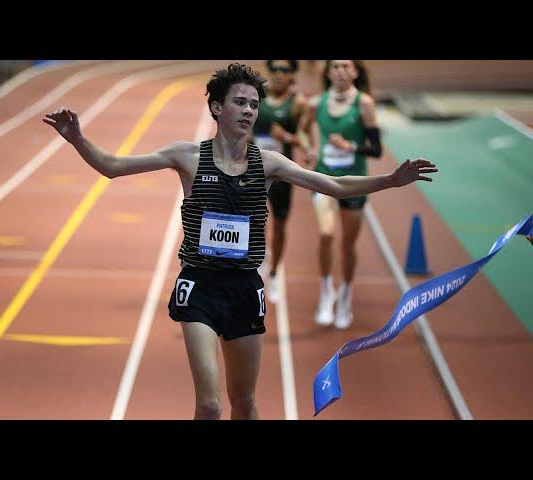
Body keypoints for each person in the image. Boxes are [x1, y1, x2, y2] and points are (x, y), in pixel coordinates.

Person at [42, 63, 437, 420]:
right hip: (199, 286)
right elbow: (113, 167)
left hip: (246, 287)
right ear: (217, 108)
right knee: (210, 406)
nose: (249, 111)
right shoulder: (187, 156)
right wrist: (77, 138)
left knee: (244, 403)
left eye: (254, 105)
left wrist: (387, 181)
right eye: (240, 102)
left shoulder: (269, 163)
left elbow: (333, 186)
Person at [300, 60, 383, 330]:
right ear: (328, 72)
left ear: (355, 72)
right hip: (325, 177)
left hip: (355, 182)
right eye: (335, 66)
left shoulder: (364, 104)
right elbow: (301, 129)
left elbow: (376, 149)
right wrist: (310, 147)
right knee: (325, 234)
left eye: (346, 66)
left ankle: (345, 295)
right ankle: (327, 292)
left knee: (347, 245)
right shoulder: (315, 104)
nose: (340, 71)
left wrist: (351, 146)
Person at [251, 60, 309, 303]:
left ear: (292, 74)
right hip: (254, 169)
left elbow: (303, 138)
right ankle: (260, 258)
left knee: (280, 224)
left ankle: (275, 273)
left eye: (284, 70)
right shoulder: (257, 98)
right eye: (274, 69)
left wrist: (286, 136)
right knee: (255, 219)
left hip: (283, 173)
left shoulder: (298, 103)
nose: (277, 74)